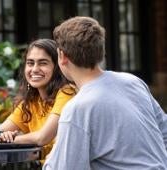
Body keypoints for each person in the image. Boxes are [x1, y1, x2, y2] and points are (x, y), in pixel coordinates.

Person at [44, 16, 167, 169]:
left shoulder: (77, 108)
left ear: (62, 56)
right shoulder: (133, 82)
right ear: (100, 50)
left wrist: (52, 157)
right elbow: (164, 133)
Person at [0, 39, 75, 163]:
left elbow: (42, 138)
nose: (34, 69)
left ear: (57, 67)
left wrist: (13, 139)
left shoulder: (67, 93)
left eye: (43, 63)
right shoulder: (30, 103)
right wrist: (2, 136)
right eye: (30, 63)